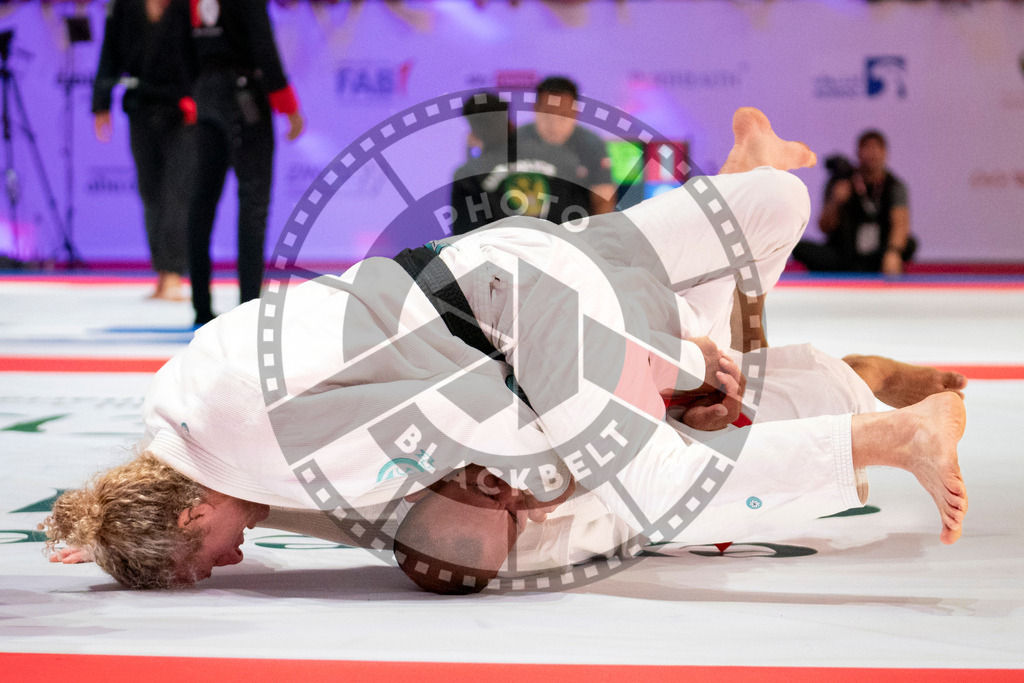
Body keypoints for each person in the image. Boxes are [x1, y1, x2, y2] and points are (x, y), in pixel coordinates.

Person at [44, 109, 968, 594]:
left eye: (200, 558)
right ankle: (748, 175)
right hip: (493, 260)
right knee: (775, 211)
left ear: (183, 515)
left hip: (525, 320)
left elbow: (466, 414)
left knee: (657, 479)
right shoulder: (182, 395)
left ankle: (894, 435)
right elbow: (211, 486)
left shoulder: (271, 450)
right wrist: (98, 527)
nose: (227, 560)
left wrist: (661, 375)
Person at [187, 0, 305, 326]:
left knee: (203, 199)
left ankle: (200, 305)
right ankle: (249, 306)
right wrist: (288, 105)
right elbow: (262, 43)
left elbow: (183, 41)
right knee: (253, 200)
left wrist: (194, 91)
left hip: (207, 91)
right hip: (243, 94)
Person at [92, 0, 197, 301]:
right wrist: (101, 102)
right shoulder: (125, 7)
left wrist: (204, 97)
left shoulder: (189, 6)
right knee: (150, 191)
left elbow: (206, 54)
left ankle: (174, 271)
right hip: (140, 107)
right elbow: (110, 52)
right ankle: (163, 271)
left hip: (184, 110)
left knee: (178, 190)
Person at [449, 92, 584, 235]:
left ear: (473, 129)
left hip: (502, 247)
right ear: (508, 117)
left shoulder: (468, 174)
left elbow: (467, 236)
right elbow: (580, 220)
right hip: (559, 244)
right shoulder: (560, 157)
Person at [791, 130, 916, 275]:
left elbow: (900, 224)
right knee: (799, 247)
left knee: (909, 244)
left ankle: (871, 265)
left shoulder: (894, 186)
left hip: (877, 253)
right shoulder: (841, 180)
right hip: (844, 252)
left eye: (876, 148)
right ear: (858, 153)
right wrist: (835, 202)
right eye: (867, 148)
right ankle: (848, 270)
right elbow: (824, 227)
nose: (872, 153)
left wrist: (893, 252)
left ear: (885, 153)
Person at [515, 77, 616, 220]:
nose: (554, 124)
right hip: (523, 228)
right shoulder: (515, 141)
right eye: (548, 114)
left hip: (577, 227)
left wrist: (596, 231)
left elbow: (603, 200)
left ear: (575, 111)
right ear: (535, 108)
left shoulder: (592, 145)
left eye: (563, 115)